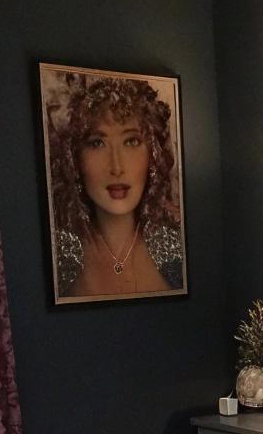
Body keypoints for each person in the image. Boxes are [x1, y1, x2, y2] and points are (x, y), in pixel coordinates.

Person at [47, 71, 185, 299]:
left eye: (131, 141)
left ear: (153, 154)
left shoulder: (174, 251)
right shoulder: (63, 254)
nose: (117, 167)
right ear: (75, 159)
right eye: (97, 143)